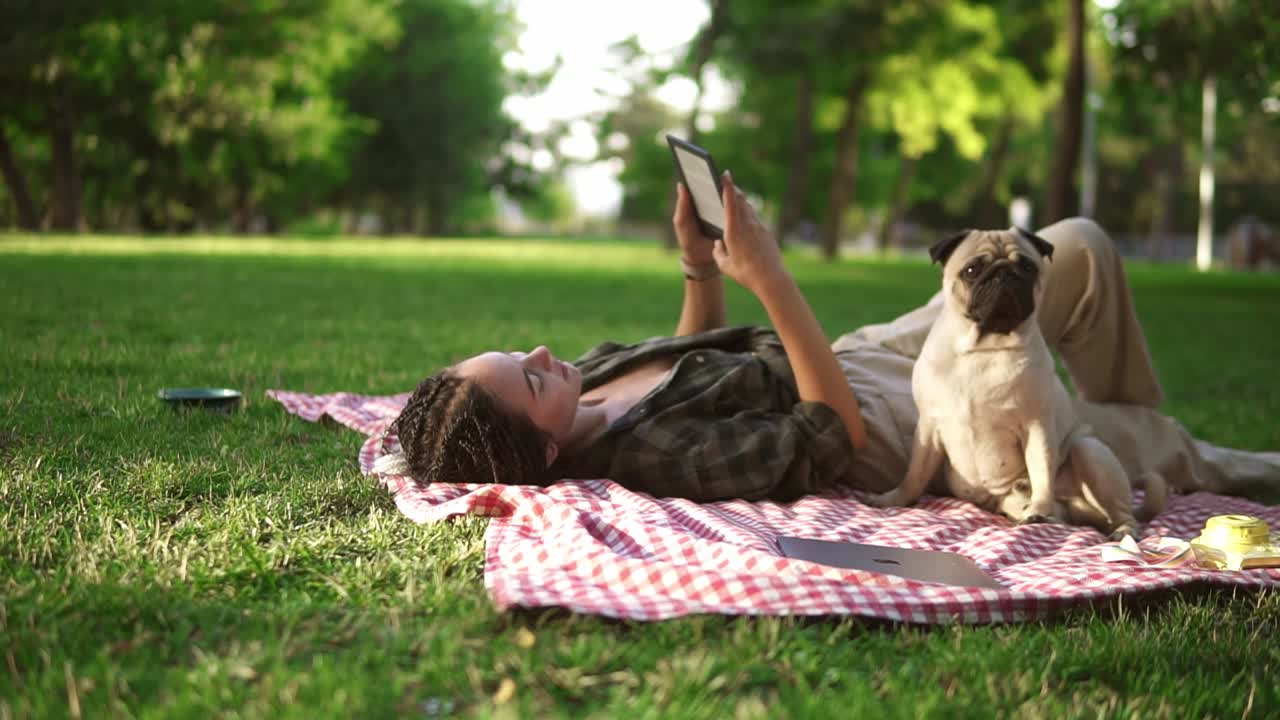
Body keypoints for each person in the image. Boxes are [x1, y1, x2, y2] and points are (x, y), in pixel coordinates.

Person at [382, 171, 1280, 504]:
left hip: (851, 349)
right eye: (532, 380)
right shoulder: (650, 459)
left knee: (1077, 246)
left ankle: (1128, 433)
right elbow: (831, 434)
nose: (545, 357)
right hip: (876, 410)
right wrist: (770, 279)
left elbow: (691, 349)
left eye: (520, 352)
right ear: (542, 447)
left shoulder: (591, 380)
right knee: (1155, 446)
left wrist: (700, 271)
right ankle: (1185, 459)